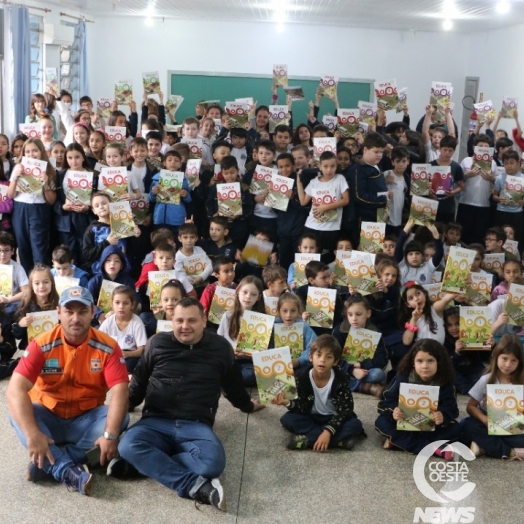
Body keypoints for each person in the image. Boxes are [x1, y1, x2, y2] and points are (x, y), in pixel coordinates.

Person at [109, 298, 264, 511]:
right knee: (127, 445)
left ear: (204, 320)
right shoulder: (157, 343)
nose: (185, 326)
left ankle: (143, 464)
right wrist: (122, 409)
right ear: (172, 320)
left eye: (192, 320)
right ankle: (194, 486)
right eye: (179, 320)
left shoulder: (221, 348)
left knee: (212, 464)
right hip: (155, 420)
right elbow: (139, 383)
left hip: (196, 424)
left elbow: (233, 387)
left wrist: (247, 406)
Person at [7, 287, 129, 496]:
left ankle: (49, 460)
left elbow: (120, 389)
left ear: (92, 312)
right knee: (16, 412)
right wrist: (33, 433)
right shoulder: (42, 344)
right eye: (69, 311)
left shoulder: (108, 346)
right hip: (48, 417)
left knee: (120, 419)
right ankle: (65, 469)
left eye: (82, 312)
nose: (75, 318)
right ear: (58, 313)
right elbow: (15, 389)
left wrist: (110, 435)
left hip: (85, 419)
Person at [272, 334, 364, 451]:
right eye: (318, 355)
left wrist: (328, 431)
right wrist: (286, 402)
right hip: (312, 416)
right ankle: (338, 441)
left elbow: (345, 410)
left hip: (334, 417)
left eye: (328, 357)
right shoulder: (302, 378)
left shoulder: (341, 379)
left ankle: (307, 440)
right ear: (311, 357)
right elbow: (302, 406)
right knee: (287, 419)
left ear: (335, 361)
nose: (322, 360)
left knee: (355, 424)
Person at [375, 338, 461, 458]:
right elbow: (385, 403)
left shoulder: (445, 382)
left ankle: (399, 442)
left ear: (439, 362)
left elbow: (452, 408)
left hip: (431, 428)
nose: (425, 366)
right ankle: (434, 449)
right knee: (381, 422)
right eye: (420, 361)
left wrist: (443, 415)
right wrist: (393, 412)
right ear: (413, 363)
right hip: (404, 425)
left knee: (456, 428)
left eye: (430, 361)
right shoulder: (402, 378)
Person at [461, 335, 524, 459]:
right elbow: (470, 407)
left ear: (519, 362)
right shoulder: (487, 379)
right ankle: (511, 452)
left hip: (514, 428)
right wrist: (484, 419)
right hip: (489, 425)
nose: (508, 364)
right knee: (467, 424)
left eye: (513, 361)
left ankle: (485, 446)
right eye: (504, 359)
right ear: (496, 357)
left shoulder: (521, 382)